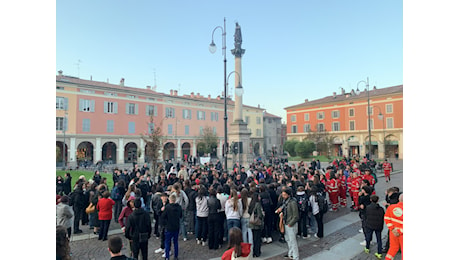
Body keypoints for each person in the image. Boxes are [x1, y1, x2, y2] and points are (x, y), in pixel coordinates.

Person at [276, 188, 300, 260]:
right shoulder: (286, 201)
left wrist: (290, 223)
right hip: (286, 222)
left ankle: (296, 256)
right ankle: (291, 253)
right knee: (288, 239)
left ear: (288, 195)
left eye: (284, 195)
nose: (283, 196)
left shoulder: (292, 202)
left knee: (293, 241)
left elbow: (296, 215)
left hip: (290, 223)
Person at [161, 193, 182, 260]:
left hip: (169, 227)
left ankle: (167, 257)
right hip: (176, 226)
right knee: (175, 242)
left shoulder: (167, 207)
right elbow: (181, 216)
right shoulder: (179, 207)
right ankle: (176, 256)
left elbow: (163, 216)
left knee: (167, 242)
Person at [363, 195, 385, 259]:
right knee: (379, 239)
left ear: (371, 200)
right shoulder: (381, 209)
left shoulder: (368, 207)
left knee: (368, 236)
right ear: (377, 201)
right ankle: (379, 252)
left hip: (369, 225)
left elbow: (365, 216)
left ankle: (367, 248)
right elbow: (382, 217)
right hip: (378, 226)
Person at [384, 193, 403, 260]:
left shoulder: (391, 207)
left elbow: (386, 218)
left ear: (398, 199)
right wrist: (399, 231)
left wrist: (392, 229)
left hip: (393, 232)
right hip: (402, 233)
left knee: (393, 248)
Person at [248, 192, 264, 258]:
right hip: (257, 224)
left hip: (251, 223)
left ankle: (254, 252)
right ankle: (257, 252)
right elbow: (260, 214)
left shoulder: (251, 204)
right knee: (257, 239)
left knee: (254, 238)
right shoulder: (258, 204)